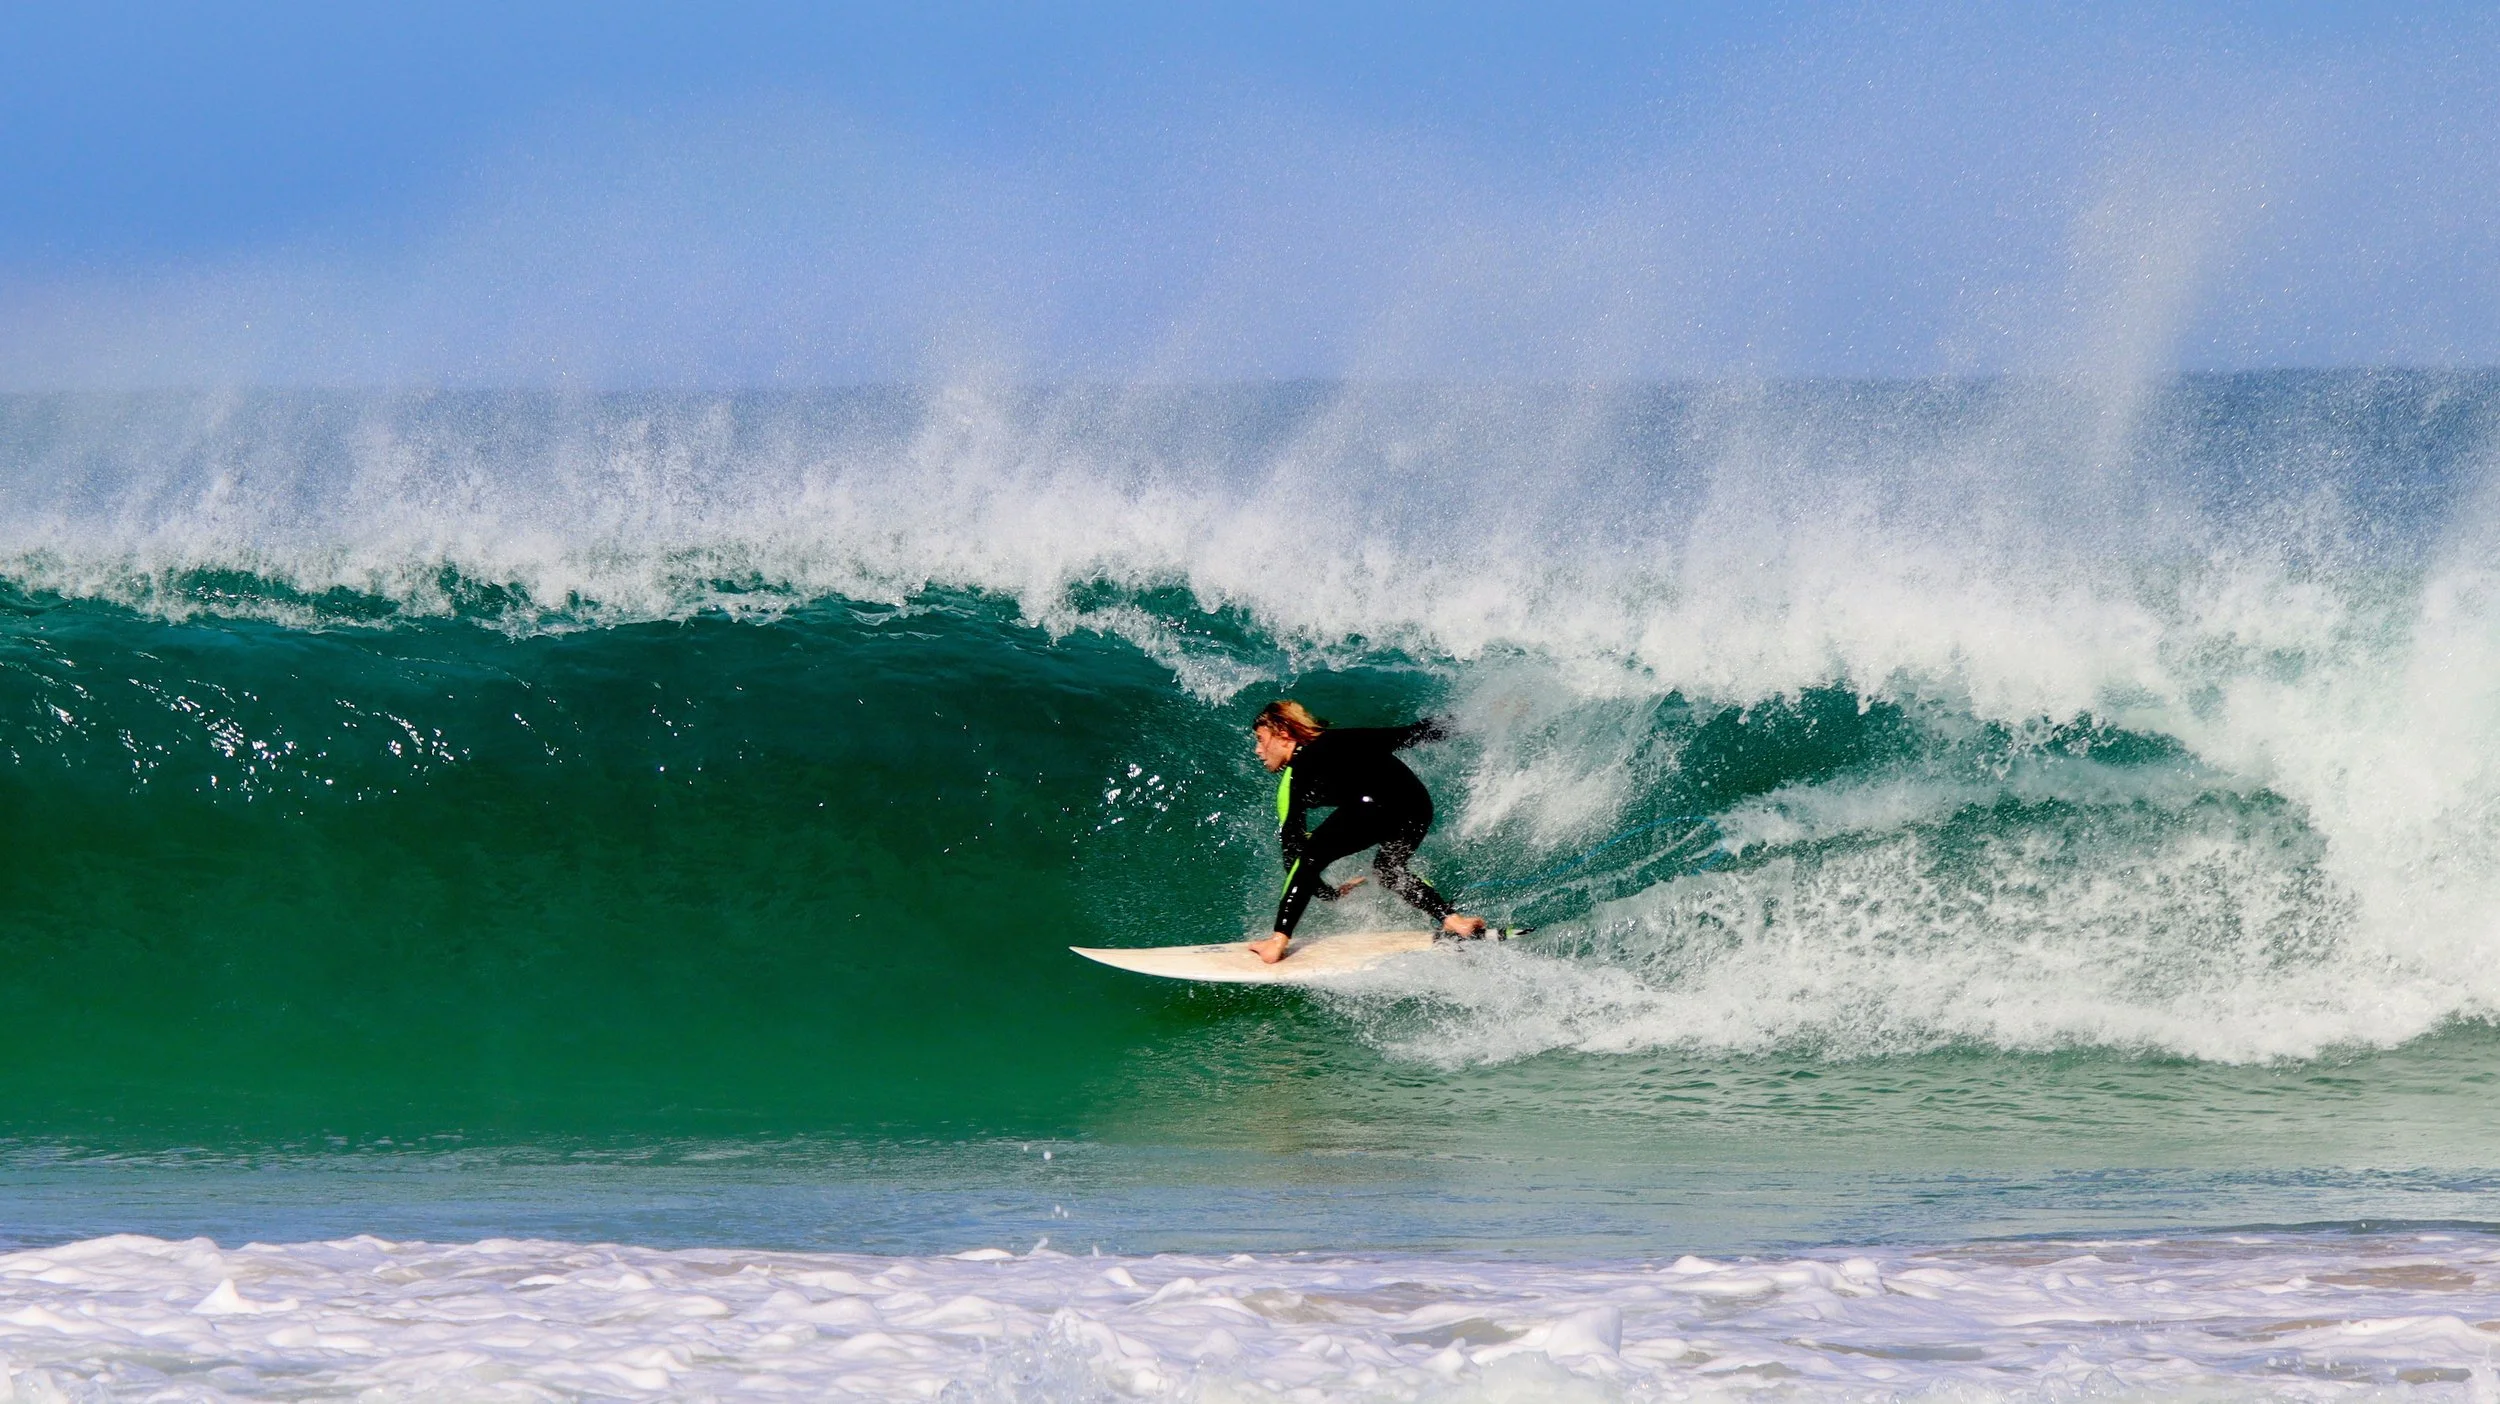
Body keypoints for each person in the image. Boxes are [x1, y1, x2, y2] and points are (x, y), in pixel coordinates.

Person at [1247, 699, 1487, 963]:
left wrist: (1330, 894)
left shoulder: (1295, 775)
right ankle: (1453, 920)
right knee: (1388, 870)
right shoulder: (1346, 738)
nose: (1258, 750)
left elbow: (1294, 855)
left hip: (1375, 806)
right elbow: (1412, 733)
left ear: (1283, 735)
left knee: (1309, 857)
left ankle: (1277, 942)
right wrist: (1481, 716)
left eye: (1261, 739)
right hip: (1416, 805)